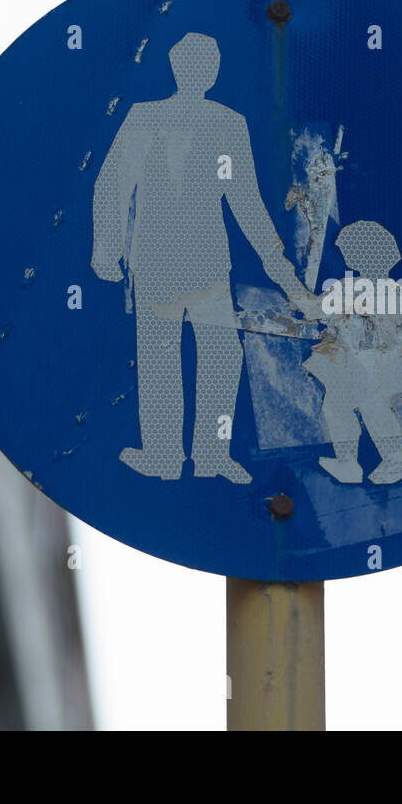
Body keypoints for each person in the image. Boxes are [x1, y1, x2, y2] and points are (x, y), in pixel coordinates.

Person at [91, 32, 315, 483]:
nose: (200, 71)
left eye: (207, 63)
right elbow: (111, 183)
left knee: (220, 359)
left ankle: (211, 456)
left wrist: (284, 276)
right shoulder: (143, 118)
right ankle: (163, 456)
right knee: (159, 359)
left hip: (208, 263)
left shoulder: (228, 124)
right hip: (153, 262)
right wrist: (106, 249)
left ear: (214, 73)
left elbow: (247, 203)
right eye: (192, 63)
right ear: (177, 68)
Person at [304, 221, 402, 485]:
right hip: (362, 366)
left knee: (371, 406)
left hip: (381, 368)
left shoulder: (376, 291)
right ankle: (349, 462)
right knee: (337, 405)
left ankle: (394, 460)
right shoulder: (392, 291)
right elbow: (318, 311)